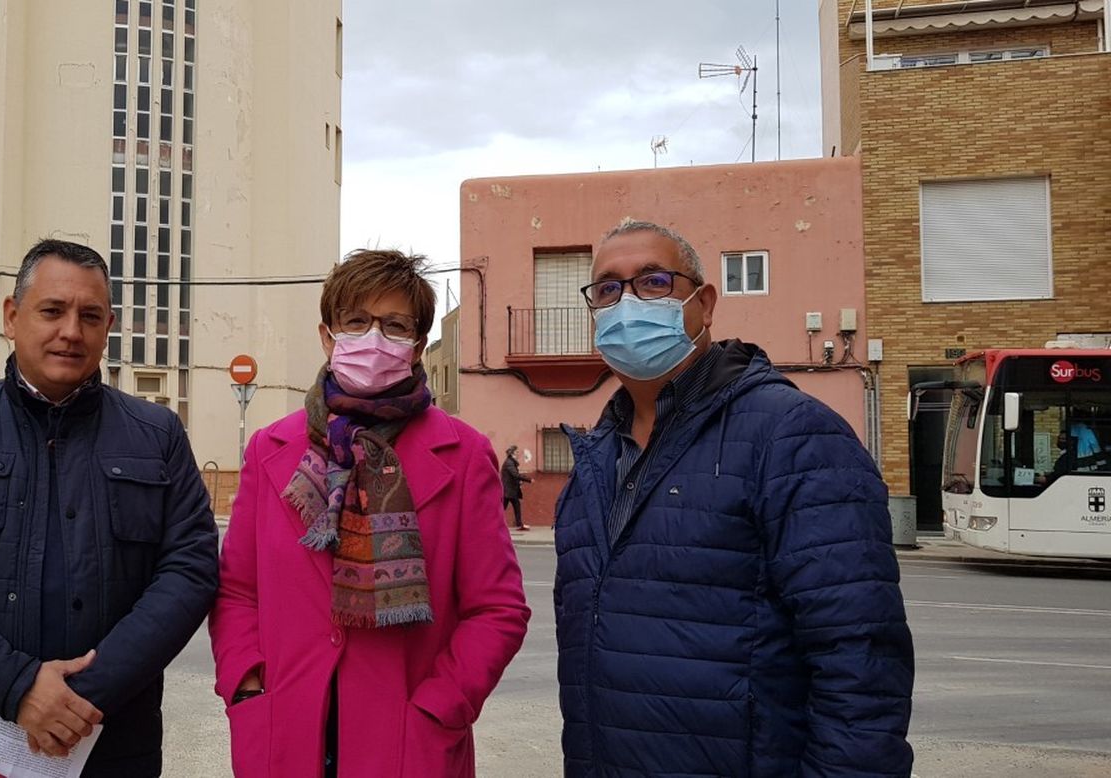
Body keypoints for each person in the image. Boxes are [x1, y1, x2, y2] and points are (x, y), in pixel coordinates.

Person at [552, 220, 914, 777]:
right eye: (607, 289)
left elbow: (859, 662)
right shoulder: (598, 455)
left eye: (652, 282)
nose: (626, 303)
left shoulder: (793, 436)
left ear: (705, 303)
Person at [0, 239, 218, 777]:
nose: (71, 331)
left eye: (90, 316)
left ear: (109, 326)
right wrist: (17, 687)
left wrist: (80, 699)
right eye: (52, 311)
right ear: (12, 317)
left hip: (110, 742)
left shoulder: (158, 436)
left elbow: (189, 571)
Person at [210, 249, 530, 777]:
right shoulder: (271, 448)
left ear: (419, 345)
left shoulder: (464, 453)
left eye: (394, 325)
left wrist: (443, 705)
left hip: (407, 737)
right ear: (327, 335)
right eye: (356, 321)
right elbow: (237, 590)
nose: (373, 338)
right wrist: (246, 684)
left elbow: (498, 609)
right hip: (285, 728)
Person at [499, 445, 533, 531]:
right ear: (513, 453)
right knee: (502, 508)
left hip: (510, 490)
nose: (518, 454)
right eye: (517, 452)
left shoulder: (511, 462)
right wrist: (528, 479)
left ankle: (519, 524)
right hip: (508, 490)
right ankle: (495, 523)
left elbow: (512, 477)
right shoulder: (509, 463)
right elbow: (515, 475)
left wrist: (519, 482)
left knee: (513, 506)